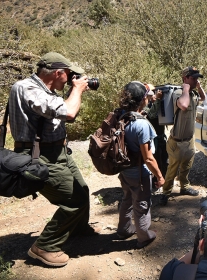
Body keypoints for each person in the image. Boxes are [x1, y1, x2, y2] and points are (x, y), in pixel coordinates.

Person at [9, 52, 100, 267]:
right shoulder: (26, 88)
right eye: (68, 75)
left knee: (82, 190)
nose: (70, 79)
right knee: (73, 200)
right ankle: (44, 246)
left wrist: (73, 90)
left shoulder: (45, 90)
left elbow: (57, 112)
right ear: (58, 72)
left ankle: (75, 228)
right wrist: (77, 90)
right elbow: (68, 113)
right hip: (39, 156)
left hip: (58, 153)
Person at [115, 81, 165, 248]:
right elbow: (148, 158)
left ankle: (123, 230)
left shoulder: (121, 115)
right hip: (139, 172)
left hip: (124, 170)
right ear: (143, 98)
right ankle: (144, 236)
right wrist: (159, 176)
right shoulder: (141, 124)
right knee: (142, 204)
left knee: (127, 198)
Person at [158, 66, 206, 206]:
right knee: (172, 170)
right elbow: (184, 106)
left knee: (186, 167)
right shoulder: (179, 94)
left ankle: (184, 187)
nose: (195, 80)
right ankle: (166, 192)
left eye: (197, 78)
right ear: (185, 78)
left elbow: (203, 98)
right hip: (176, 142)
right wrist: (185, 89)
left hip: (189, 140)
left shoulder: (193, 94)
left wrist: (199, 87)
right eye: (193, 78)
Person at [143, 84, 168, 190]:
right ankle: (155, 183)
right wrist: (157, 100)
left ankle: (164, 181)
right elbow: (151, 115)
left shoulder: (157, 104)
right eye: (152, 92)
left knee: (164, 160)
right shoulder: (144, 107)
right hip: (153, 140)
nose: (154, 94)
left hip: (161, 137)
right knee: (155, 161)